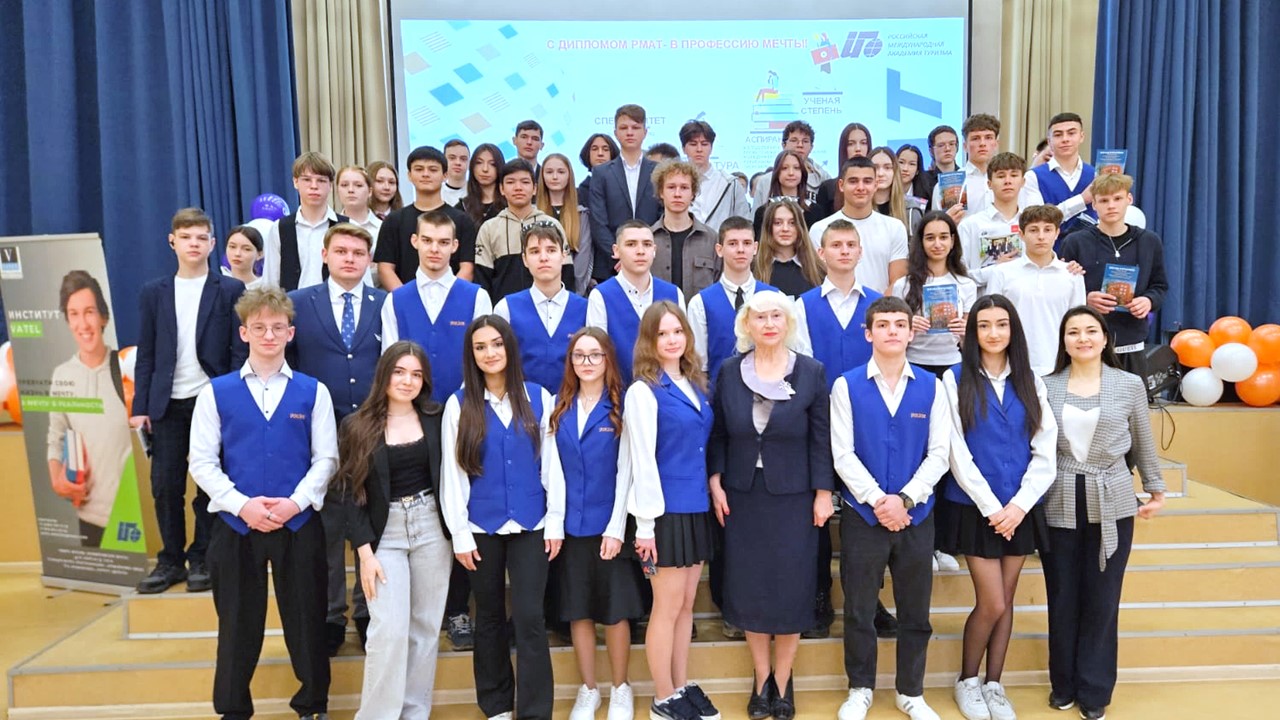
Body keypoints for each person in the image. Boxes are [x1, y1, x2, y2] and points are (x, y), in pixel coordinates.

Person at [188, 287, 338, 720]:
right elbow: (201, 462)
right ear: (244, 333)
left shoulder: (314, 392)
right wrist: (242, 506)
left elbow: (326, 459)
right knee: (237, 624)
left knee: (307, 621)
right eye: (259, 328)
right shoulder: (215, 393)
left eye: (277, 327)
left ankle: (312, 706)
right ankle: (233, 710)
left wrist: (295, 503)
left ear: (290, 333)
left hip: (298, 524)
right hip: (237, 526)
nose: (268, 335)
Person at [707, 292, 833, 720]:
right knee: (751, 588)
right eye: (760, 317)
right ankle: (761, 678)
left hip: (795, 498)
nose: (769, 323)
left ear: (788, 321)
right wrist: (715, 481)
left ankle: (783, 679)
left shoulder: (811, 372)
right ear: (747, 324)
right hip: (743, 496)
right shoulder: (729, 371)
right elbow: (719, 433)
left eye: (776, 315)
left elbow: (821, 439)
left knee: (791, 587)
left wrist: (823, 492)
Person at [1040, 306, 1166, 720]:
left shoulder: (1128, 384)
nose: (1083, 338)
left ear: (1106, 338)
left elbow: (1143, 440)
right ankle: (1063, 684)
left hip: (1112, 496)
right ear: (1063, 341)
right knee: (1062, 594)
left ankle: (1095, 690)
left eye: (1091, 330)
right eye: (1073, 332)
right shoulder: (1046, 386)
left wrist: (1155, 488)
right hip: (1059, 496)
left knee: (1103, 597)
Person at [831, 296, 951, 720]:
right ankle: (860, 688)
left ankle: (911, 692)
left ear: (911, 332)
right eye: (882, 325)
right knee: (860, 610)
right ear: (869, 334)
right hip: (864, 516)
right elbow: (842, 454)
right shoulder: (845, 386)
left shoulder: (932, 387)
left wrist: (905, 499)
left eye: (900, 324)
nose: (892, 331)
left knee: (915, 611)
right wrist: (878, 500)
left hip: (916, 516)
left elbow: (940, 453)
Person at [440, 315, 562, 720]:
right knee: (489, 616)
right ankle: (495, 706)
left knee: (529, 617)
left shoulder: (539, 397)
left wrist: (555, 520)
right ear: (471, 355)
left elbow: (552, 467)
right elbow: (454, 474)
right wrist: (460, 533)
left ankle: (534, 711)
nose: (490, 353)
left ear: (509, 347)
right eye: (480, 347)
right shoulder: (459, 404)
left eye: (496, 344)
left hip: (532, 524)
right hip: (481, 526)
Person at [941, 294, 1056, 720]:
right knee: (991, 602)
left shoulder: (1031, 380)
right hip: (976, 507)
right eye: (984, 325)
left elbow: (1045, 448)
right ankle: (967, 681)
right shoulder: (954, 379)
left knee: (1006, 601)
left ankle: (994, 683)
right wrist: (993, 508)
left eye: (1002, 324)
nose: (993, 333)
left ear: (1013, 330)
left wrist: (1019, 506)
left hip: (1020, 508)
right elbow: (955, 450)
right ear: (973, 332)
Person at [330, 341, 452, 719]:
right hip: (385, 535)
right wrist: (364, 553)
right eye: (399, 372)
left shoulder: (437, 417)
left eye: (416, 374)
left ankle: (413, 713)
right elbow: (348, 492)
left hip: (432, 527)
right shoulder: (356, 425)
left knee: (425, 629)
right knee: (389, 631)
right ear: (384, 374)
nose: (407, 381)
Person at [131, 207, 247, 594]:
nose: (193, 244)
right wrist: (141, 407)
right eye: (186, 237)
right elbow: (146, 353)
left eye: (201, 238)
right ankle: (170, 560)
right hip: (167, 403)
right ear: (172, 242)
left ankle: (202, 557)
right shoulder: (154, 292)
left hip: (211, 401)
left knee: (208, 484)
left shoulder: (229, 290)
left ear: (213, 244)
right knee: (166, 485)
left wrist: (232, 397)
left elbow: (237, 351)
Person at [287, 222, 386, 655]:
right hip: (317, 430)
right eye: (341, 251)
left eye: (358, 253)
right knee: (325, 526)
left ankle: (367, 609)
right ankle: (330, 614)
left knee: (371, 520)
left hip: (372, 429)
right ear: (325, 255)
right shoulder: (297, 303)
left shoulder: (385, 304)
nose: (350, 259)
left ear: (369, 260)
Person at [790, 220, 890, 640]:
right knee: (818, 514)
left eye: (851, 244)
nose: (844, 251)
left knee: (867, 511)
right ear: (822, 252)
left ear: (860, 251)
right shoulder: (802, 305)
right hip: (820, 421)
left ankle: (868, 599)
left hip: (872, 422)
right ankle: (818, 596)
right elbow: (802, 365)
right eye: (836, 245)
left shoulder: (879, 303)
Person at [624, 302, 721, 720]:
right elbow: (643, 461)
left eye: (677, 331)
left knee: (686, 605)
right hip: (663, 513)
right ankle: (662, 697)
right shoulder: (643, 391)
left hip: (695, 506)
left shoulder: (695, 383)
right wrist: (645, 525)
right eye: (662, 333)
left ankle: (679, 686)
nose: (671, 340)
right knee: (665, 607)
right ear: (649, 340)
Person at [546, 328, 643, 720]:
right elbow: (553, 471)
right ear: (570, 362)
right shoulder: (558, 407)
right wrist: (555, 523)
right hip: (571, 527)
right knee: (579, 611)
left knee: (615, 612)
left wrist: (617, 527)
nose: (587, 362)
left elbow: (627, 471)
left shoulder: (621, 406)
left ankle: (620, 688)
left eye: (595, 355)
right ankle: (589, 689)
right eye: (579, 355)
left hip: (609, 528)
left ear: (607, 360)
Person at [47, 271, 131, 548]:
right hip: (88, 518)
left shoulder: (124, 368)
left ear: (103, 317)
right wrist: (57, 479)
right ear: (67, 320)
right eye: (74, 314)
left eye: (89, 312)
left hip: (129, 516)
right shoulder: (62, 375)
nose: (83, 323)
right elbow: (55, 438)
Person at [1058, 173, 1169, 379]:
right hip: (1087, 345)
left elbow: (1160, 286)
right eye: (1104, 200)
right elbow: (1060, 291)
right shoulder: (1075, 242)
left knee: (1132, 400)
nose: (1111, 206)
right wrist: (1085, 299)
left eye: (1117, 199)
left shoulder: (1149, 241)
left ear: (1129, 199)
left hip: (1131, 344)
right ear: (1094, 205)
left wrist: (1148, 300)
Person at [381, 210, 493, 402]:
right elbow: (390, 360)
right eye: (427, 240)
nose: (434, 249)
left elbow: (484, 358)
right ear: (415, 241)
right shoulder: (394, 300)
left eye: (443, 242)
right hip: (410, 406)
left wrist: (461, 403)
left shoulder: (477, 297)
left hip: (465, 405)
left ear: (454, 246)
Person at [985, 205, 1086, 376]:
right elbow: (991, 320)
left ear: (1057, 233)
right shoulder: (1001, 273)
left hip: (1060, 367)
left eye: (1048, 229)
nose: (1041, 236)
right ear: (1021, 234)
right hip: (1013, 366)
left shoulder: (1072, 274)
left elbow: (1078, 324)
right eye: (1033, 230)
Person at [493, 223, 588, 392]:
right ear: (525, 259)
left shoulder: (586, 308)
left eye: (551, 250)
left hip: (573, 402)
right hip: (522, 402)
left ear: (564, 255)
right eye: (535, 251)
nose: (543, 258)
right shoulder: (506, 308)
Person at [586, 221, 685, 383]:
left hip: (667, 391)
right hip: (618, 392)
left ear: (654, 250)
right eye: (631, 244)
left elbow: (683, 353)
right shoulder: (601, 296)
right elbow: (597, 354)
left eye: (647, 244)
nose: (640, 251)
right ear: (616, 251)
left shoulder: (673, 294)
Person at [687, 216, 776, 386]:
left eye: (747, 243)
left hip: (769, 393)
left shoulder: (775, 298)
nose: (740, 250)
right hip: (720, 395)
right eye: (733, 243)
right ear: (719, 250)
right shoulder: (700, 303)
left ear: (755, 248)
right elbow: (699, 368)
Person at [374, 146, 477, 289]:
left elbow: (467, 268)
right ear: (409, 175)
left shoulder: (462, 220)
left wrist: (450, 297)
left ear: (445, 175)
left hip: (452, 298)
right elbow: (385, 268)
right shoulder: (394, 220)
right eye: (419, 169)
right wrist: (407, 298)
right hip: (406, 299)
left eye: (433, 170)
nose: (425, 174)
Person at [890, 211, 977, 376]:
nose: (937, 244)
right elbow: (892, 332)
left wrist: (966, 330)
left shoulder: (966, 285)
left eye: (943, 237)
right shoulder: (903, 285)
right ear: (921, 242)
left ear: (952, 241)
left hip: (954, 363)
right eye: (930, 238)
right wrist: (906, 324)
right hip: (913, 363)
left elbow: (967, 342)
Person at [808, 157, 909, 295]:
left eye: (867, 181)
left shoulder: (895, 228)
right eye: (853, 181)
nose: (860, 188)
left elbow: (897, 283)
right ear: (841, 185)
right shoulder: (820, 230)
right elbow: (818, 282)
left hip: (882, 307)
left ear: (875, 185)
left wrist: (878, 307)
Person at [474, 158, 569, 303]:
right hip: (503, 310)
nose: (518, 188)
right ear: (501, 189)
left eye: (525, 182)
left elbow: (566, 273)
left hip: (549, 309)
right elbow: (482, 279)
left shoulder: (552, 225)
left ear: (535, 188)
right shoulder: (489, 228)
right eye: (511, 182)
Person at [589, 105, 662, 283]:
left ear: (645, 132)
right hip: (612, 265)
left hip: (653, 262)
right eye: (623, 128)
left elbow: (663, 216)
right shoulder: (601, 173)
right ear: (615, 133)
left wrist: (646, 253)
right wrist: (621, 256)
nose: (629, 132)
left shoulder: (659, 171)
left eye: (635, 127)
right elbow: (598, 222)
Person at [265, 152, 349, 291]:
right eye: (307, 180)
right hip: (291, 302)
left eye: (321, 180)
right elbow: (270, 281)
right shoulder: (279, 228)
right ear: (295, 182)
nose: (314, 186)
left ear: (330, 185)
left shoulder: (348, 226)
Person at [956, 153, 1030, 289]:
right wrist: (996, 269)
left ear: (1023, 182)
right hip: (983, 299)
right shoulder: (970, 226)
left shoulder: (1032, 225)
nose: (1007, 181)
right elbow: (960, 277)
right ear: (989, 184)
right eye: (1001, 176)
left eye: (1014, 175)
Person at [651, 160, 720, 298]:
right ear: (661, 192)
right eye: (671, 187)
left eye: (684, 188)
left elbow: (720, 285)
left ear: (693, 193)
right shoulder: (648, 239)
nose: (677, 194)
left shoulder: (711, 239)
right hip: (657, 311)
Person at [1022, 112, 1097, 233]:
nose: (1065, 139)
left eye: (1071, 133)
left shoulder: (1096, 175)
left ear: (1082, 136)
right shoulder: (1032, 177)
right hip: (1050, 245)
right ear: (1049, 141)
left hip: (1091, 244)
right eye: (1058, 135)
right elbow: (1036, 221)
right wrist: (1082, 199)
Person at [535, 152, 594, 294]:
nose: (555, 177)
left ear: (569, 176)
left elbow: (583, 256)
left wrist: (572, 292)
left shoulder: (582, 215)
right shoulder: (533, 215)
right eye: (549, 172)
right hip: (539, 289)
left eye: (561, 172)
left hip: (573, 291)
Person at [681, 120, 750, 233]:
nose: (699, 149)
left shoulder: (730, 183)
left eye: (704, 144)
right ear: (683, 148)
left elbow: (744, 223)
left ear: (711, 148)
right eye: (693, 144)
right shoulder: (675, 184)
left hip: (721, 242)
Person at [752, 120, 831, 209]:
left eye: (805, 141)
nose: (800, 145)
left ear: (811, 147)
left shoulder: (824, 179)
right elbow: (756, 214)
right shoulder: (766, 181)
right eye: (794, 140)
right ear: (783, 145)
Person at [754, 199, 825, 298]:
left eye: (792, 223)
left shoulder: (819, 270)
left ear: (800, 227)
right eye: (778, 223)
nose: (785, 229)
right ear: (768, 227)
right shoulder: (753, 269)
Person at [812, 122, 873, 219]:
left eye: (863, 143)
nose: (858, 148)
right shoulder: (828, 188)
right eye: (851, 144)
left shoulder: (876, 186)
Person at [751, 150, 809, 236]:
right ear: (777, 173)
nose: (791, 173)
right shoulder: (762, 212)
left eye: (796, 168)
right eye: (784, 168)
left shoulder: (814, 210)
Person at [871, 146, 926, 235]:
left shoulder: (911, 209)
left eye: (887, 167)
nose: (880, 173)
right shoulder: (858, 207)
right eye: (875, 167)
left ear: (895, 171)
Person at [336, 166, 384, 259]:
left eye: (358, 185)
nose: (350, 190)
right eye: (344, 185)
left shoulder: (382, 228)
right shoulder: (330, 226)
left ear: (370, 191)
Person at [460, 143, 507, 229]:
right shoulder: (463, 206)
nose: (485, 169)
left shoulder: (509, 205)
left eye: (492, 164)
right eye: (479, 163)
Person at [918, 125, 960, 210]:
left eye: (951, 144)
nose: (947, 149)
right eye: (941, 145)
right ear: (931, 151)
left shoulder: (967, 176)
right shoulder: (922, 179)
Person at [578, 133, 619, 204]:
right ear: (588, 154)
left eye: (605, 149)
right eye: (595, 149)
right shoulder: (579, 193)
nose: (600, 153)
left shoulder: (623, 188)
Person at [222, 225, 266, 290]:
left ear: (260, 254)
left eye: (246, 249)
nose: (237, 254)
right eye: (232, 247)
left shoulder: (265, 288)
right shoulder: (216, 285)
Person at [443, 139, 470, 206]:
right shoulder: (435, 193)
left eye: (463, 159)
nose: (458, 163)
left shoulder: (478, 192)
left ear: (469, 163)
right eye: (452, 158)